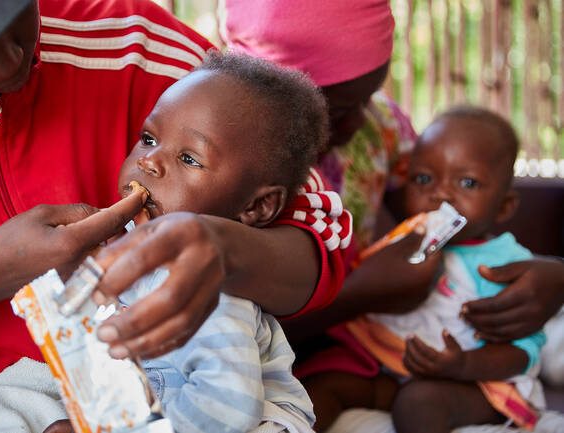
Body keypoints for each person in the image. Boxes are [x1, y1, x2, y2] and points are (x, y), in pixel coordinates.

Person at [0, 0, 350, 431]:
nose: (12, 57)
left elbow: (324, 239)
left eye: (14, 12)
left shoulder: (141, 47)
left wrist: (225, 250)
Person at [0, 50, 343, 433]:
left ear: (255, 208)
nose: (148, 162)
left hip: (236, 420)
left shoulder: (209, 294)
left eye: (189, 159)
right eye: (148, 139)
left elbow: (229, 411)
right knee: (2, 396)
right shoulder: (123, 247)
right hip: (163, 399)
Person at [221, 0, 564, 384]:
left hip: (359, 346)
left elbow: (444, 215)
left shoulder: (379, 125)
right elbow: (234, 331)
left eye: (369, 97)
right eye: (336, 113)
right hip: (268, 357)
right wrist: (358, 294)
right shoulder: (229, 161)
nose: (358, 122)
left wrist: (553, 278)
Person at [306, 107, 546, 433]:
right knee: (322, 385)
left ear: (504, 206)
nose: (440, 194)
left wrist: (463, 366)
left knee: (418, 403)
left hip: (475, 383)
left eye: (467, 182)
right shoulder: (405, 243)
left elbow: (523, 351)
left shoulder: (502, 262)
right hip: (393, 366)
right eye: (423, 179)